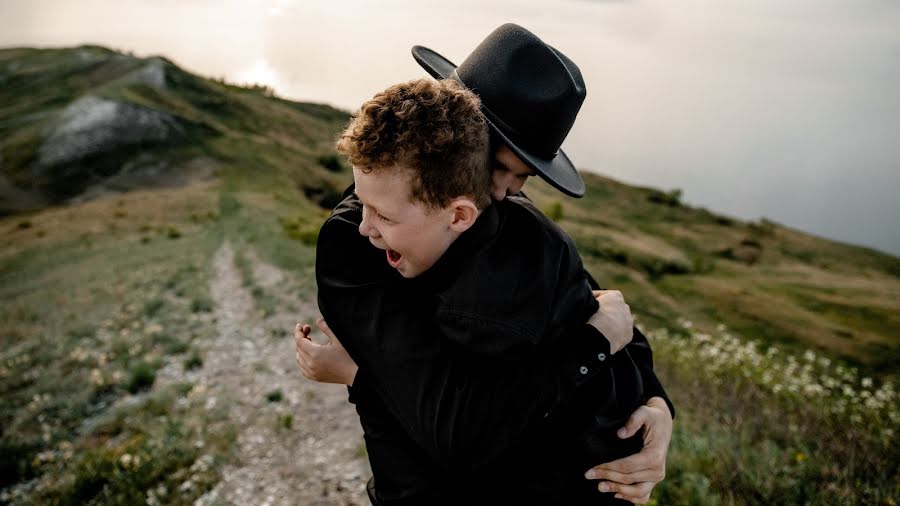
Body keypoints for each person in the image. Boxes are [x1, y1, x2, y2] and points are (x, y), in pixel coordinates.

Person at [297, 24, 673, 504]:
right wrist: (362, 377)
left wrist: (657, 407)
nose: (504, 192)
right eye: (500, 168)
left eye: (523, 177)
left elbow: (601, 312)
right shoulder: (361, 242)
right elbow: (447, 419)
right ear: (460, 136)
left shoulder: (522, 231)